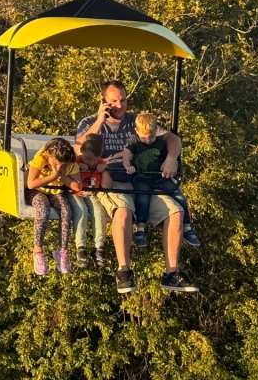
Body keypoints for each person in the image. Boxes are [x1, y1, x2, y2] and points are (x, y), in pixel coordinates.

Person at [76, 80, 199, 293]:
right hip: (112, 181)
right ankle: (124, 271)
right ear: (103, 100)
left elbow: (172, 138)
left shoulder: (137, 122)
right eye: (113, 100)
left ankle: (171, 273)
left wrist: (171, 158)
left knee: (176, 211)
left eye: (123, 99)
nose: (119, 104)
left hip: (143, 182)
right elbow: (79, 150)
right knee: (123, 211)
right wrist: (99, 120)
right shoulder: (89, 123)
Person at [122, 112, 199, 249]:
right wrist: (128, 165)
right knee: (143, 198)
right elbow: (126, 153)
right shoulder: (134, 140)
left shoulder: (161, 143)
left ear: (156, 131)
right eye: (144, 138)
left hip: (160, 178)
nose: (147, 140)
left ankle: (187, 227)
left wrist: (171, 162)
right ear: (137, 132)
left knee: (179, 197)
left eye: (151, 137)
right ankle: (140, 229)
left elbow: (170, 155)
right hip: (142, 179)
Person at [25, 138, 79, 275]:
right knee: (43, 210)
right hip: (37, 190)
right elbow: (31, 183)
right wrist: (54, 175)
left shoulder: (70, 162)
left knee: (67, 211)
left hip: (55, 191)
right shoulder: (42, 156)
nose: (58, 165)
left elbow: (77, 186)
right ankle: (38, 251)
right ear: (49, 156)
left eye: (62, 164)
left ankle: (62, 251)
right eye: (55, 162)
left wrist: (61, 176)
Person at [66, 133, 112, 268]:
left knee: (99, 212)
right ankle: (81, 248)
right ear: (82, 151)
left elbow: (107, 187)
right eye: (88, 158)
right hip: (75, 193)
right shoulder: (75, 162)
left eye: (95, 160)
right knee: (82, 211)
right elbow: (65, 176)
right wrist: (76, 169)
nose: (91, 163)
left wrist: (104, 171)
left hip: (92, 194)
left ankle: (99, 248)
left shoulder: (101, 164)